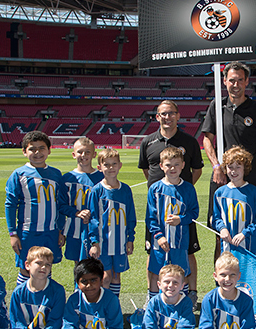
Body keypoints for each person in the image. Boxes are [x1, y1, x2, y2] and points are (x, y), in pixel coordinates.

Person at [201, 61, 256, 257]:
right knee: (220, 232)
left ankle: (247, 280)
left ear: (246, 81)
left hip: (249, 179)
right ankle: (222, 281)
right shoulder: (217, 105)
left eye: (240, 80)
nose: (236, 84)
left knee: (248, 230)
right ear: (224, 81)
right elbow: (207, 139)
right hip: (222, 177)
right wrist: (216, 166)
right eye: (231, 80)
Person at [139, 100, 203, 309]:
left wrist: (181, 205)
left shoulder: (189, 141)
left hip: (181, 219)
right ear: (157, 116)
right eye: (163, 114)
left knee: (186, 256)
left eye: (171, 113)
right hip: (160, 226)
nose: (167, 117)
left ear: (177, 115)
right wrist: (159, 233)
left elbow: (197, 171)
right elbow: (146, 171)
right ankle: (154, 297)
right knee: (155, 258)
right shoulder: (148, 142)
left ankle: (187, 296)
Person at [5, 130, 74, 288]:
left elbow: (60, 205)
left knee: (46, 268)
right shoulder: (18, 174)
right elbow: (10, 205)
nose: (37, 152)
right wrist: (13, 233)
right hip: (28, 232)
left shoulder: (56, 174)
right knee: (26, 269)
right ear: (24, 152)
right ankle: (22, 303)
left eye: (42, 148)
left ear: (49, 150)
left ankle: (44, 308)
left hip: (50, 232)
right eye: (32, 149)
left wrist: (60, 230)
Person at [52, 258, 125, 329]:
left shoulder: (111, 299)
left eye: (93, 280)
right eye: (84, 281)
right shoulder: (74, 300)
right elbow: (67, 327)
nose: (89, 285)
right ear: (77, 283)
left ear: (101, 280)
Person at [0, 246, 65, 329]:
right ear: (27, 265)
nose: (43, 267)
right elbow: (17, 323)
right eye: (39, 263)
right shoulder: (19, 292)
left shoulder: (57, 291)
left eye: (48, 265)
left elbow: (54, 323)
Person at [145, 146, 199, 302]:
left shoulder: (188, 189)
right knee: (157, 271)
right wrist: (159, 236)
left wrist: (181, 219)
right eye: (168, 165)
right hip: (160, 242)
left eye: (176, 164)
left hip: (180, 241)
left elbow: (194, 213)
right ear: (161, 166)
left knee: (181, 272)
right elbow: (151, 217)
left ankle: (183, 303)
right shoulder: (155, 189)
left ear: (183, 165)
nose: (172, 168)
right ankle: (154, 303)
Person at [85, 148, 136, 298]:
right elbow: (93, 219)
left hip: (120, 241)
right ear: (100, 167)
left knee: (116, 277)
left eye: (114, 164)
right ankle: (103, 307)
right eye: (106, 165)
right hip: (103, 242)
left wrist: (130, 239)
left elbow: (131, 217)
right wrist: (94, 242)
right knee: (105, 277)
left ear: (120, 165)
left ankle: (113, 306)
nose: (111, 168)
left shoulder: (125, 189)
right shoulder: (96, 191)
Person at [125, 264, 194, 329]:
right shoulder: (154, 302)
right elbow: (148, 328)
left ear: (182, 285)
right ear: (159, 284)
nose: (171, 285)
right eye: (166, 282)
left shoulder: (186, 303)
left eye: (175, 282)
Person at [212, 146, 256, 256]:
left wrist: (245, 233)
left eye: (238, 167)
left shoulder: (253, 192)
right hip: (227, 248)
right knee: (230, 272)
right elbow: (215, 218)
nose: (233, 171)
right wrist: (222, 229)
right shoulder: (220, 193)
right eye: (230, 167)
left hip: (249, 247)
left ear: (245, 168)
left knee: (248, 273)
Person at [61, 137, 103, 267]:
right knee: (79, 265)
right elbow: (61, 205)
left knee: (98, 264)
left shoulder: (102, 178)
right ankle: (78, 287)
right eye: (80, 152)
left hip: (98, 229)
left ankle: (96, 288)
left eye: (87, 152)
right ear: (74, 155)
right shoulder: (67, 178)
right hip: (75, 229)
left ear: (94, 154)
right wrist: (76, 212)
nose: (83, 155)